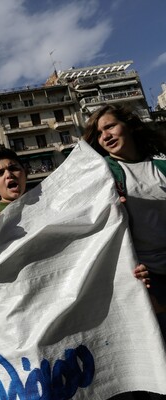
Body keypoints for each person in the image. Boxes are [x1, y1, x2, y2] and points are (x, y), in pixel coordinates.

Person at [83, 104, 166, 339]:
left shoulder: (161, 166)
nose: (105, 136)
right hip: (147, 282)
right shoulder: (103, 174)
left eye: (109, 126)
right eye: (99, 133)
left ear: (128, 126)